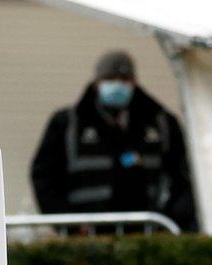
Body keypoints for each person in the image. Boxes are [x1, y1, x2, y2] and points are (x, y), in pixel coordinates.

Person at [31, 50, 198, 231]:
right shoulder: (67, 124)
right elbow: (44, 176)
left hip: (148, 232)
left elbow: (185, 177)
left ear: (134, 82)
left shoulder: (161, 124)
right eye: (110, 78)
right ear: (96, 83)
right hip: (88, 235)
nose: (118, 85)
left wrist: (169, 220)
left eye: (124, 80)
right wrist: (69, 223)